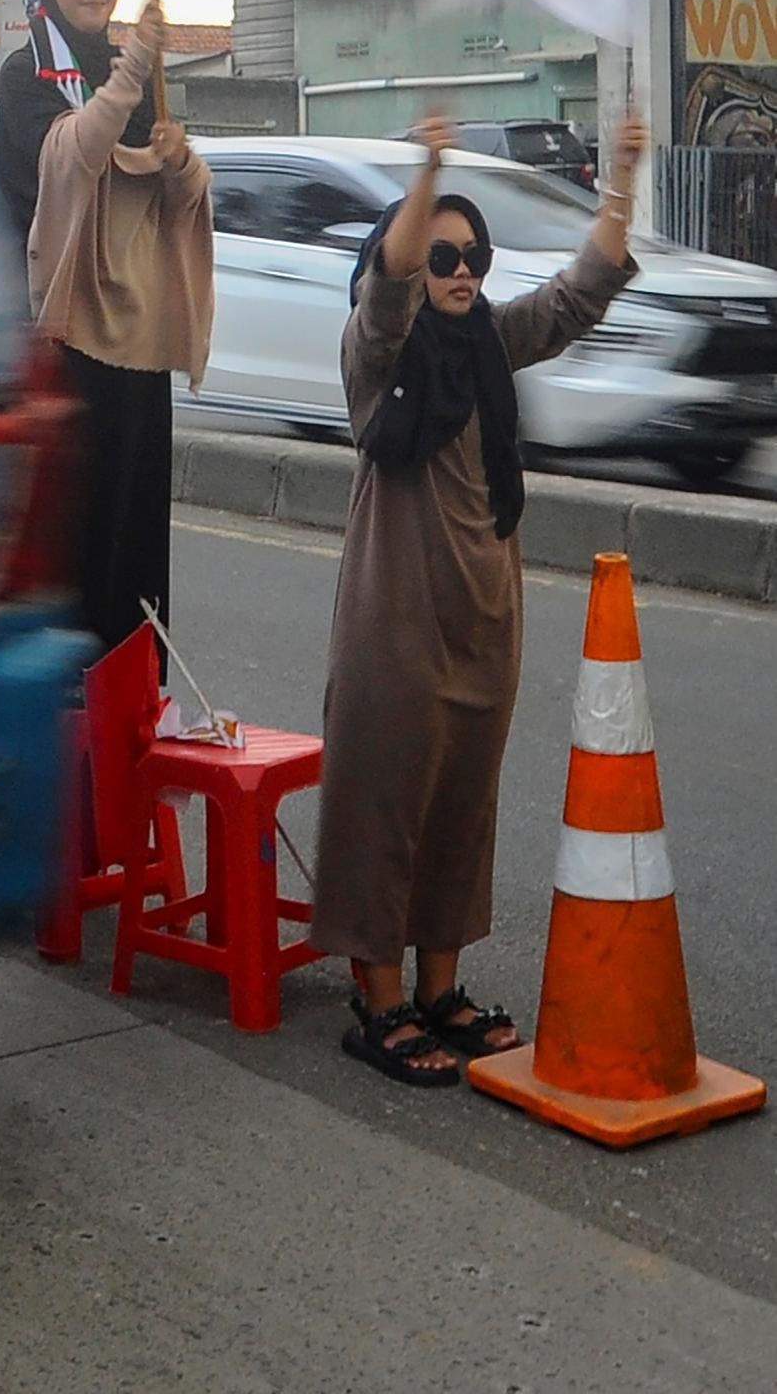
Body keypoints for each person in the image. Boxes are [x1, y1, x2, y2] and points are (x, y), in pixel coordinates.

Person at [310, 112, 648, 1087]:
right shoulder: (378, 355)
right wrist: (426, 168)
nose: (461, 269)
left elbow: (581, 294)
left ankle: (438, 991)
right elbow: (391, 287)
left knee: (462, 809)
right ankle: (375, 1002)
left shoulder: (491, 344)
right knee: (387, 805)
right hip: (396, 625)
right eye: (444, 253)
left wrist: (621, 179)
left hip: (484, 621)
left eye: (476, 254)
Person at [0, 0, 213, 666]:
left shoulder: (133, 76)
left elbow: (166, 194)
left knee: (137, 524)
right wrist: (133, 73)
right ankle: (73, 698)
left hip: (135, 332)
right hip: (65, 334)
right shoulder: (28, 78)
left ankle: (138, 693)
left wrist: (179, 165)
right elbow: (74, 158)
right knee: (79, 526)